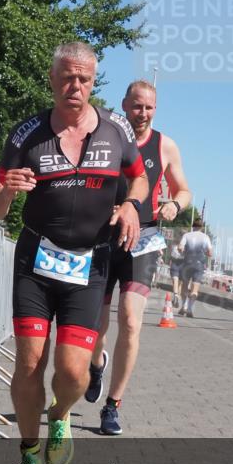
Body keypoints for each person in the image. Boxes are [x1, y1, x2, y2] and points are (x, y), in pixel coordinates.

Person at [0, 42, 148, 464]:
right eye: (66, 78)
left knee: (73, 371)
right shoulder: (26, 135)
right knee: (30, 362)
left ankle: (59, 416)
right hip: (36, 264)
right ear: (53, 79)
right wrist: (7, 192)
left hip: (88, 268)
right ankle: (28, 452)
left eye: (85, 79)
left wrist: (133, 205)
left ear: (94, 82)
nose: (75, 87)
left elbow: (139, 176)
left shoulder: (116, 131)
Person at [85, 80, 191, 436]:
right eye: (136, 106)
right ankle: (96, 364)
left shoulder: (166, 145)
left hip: (143, 239)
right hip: (103, 236)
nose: (142, 114)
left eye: (148, 108)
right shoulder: (106, 135)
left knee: (130, 320)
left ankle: (112, 406)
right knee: (95, 326)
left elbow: (185, 189)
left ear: (155, 109)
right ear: (124, 105)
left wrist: (175, 204)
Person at [177, 218, 212, 318]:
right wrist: (204, 253)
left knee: (185, 286)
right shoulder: (205, 237)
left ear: (193, 226)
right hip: (199, 264)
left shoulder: (186, 235)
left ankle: (184, 306)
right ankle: (190, 308)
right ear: (202, 227)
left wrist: (183, 252)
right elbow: (210, 253)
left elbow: (180, 248)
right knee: (194, 289)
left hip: (187, 263)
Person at [169, 243, 184, 308]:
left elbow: (171, 254)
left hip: (178, 263)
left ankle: (175, 297)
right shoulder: (173, 245)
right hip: (178, 263)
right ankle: (176, 297)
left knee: (177, 282)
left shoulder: (173, 245)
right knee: (178, 282)